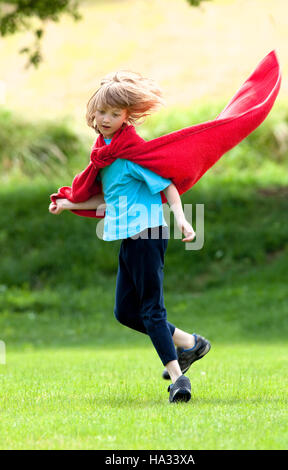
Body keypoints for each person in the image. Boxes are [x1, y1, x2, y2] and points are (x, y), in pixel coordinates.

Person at [49, 70, 211, 403]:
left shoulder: (130, 154)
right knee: (125, 312)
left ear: (127, 117)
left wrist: (181, 218)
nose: (106, 119)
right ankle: (190, 343)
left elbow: (168, 185)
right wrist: (69, 203)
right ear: (92, 113)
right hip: (129, 237)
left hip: (148, 233)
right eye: (102, 112)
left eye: (115, 113)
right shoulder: (105, 156)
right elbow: (108, 200)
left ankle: (179, 380)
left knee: (152, 310)